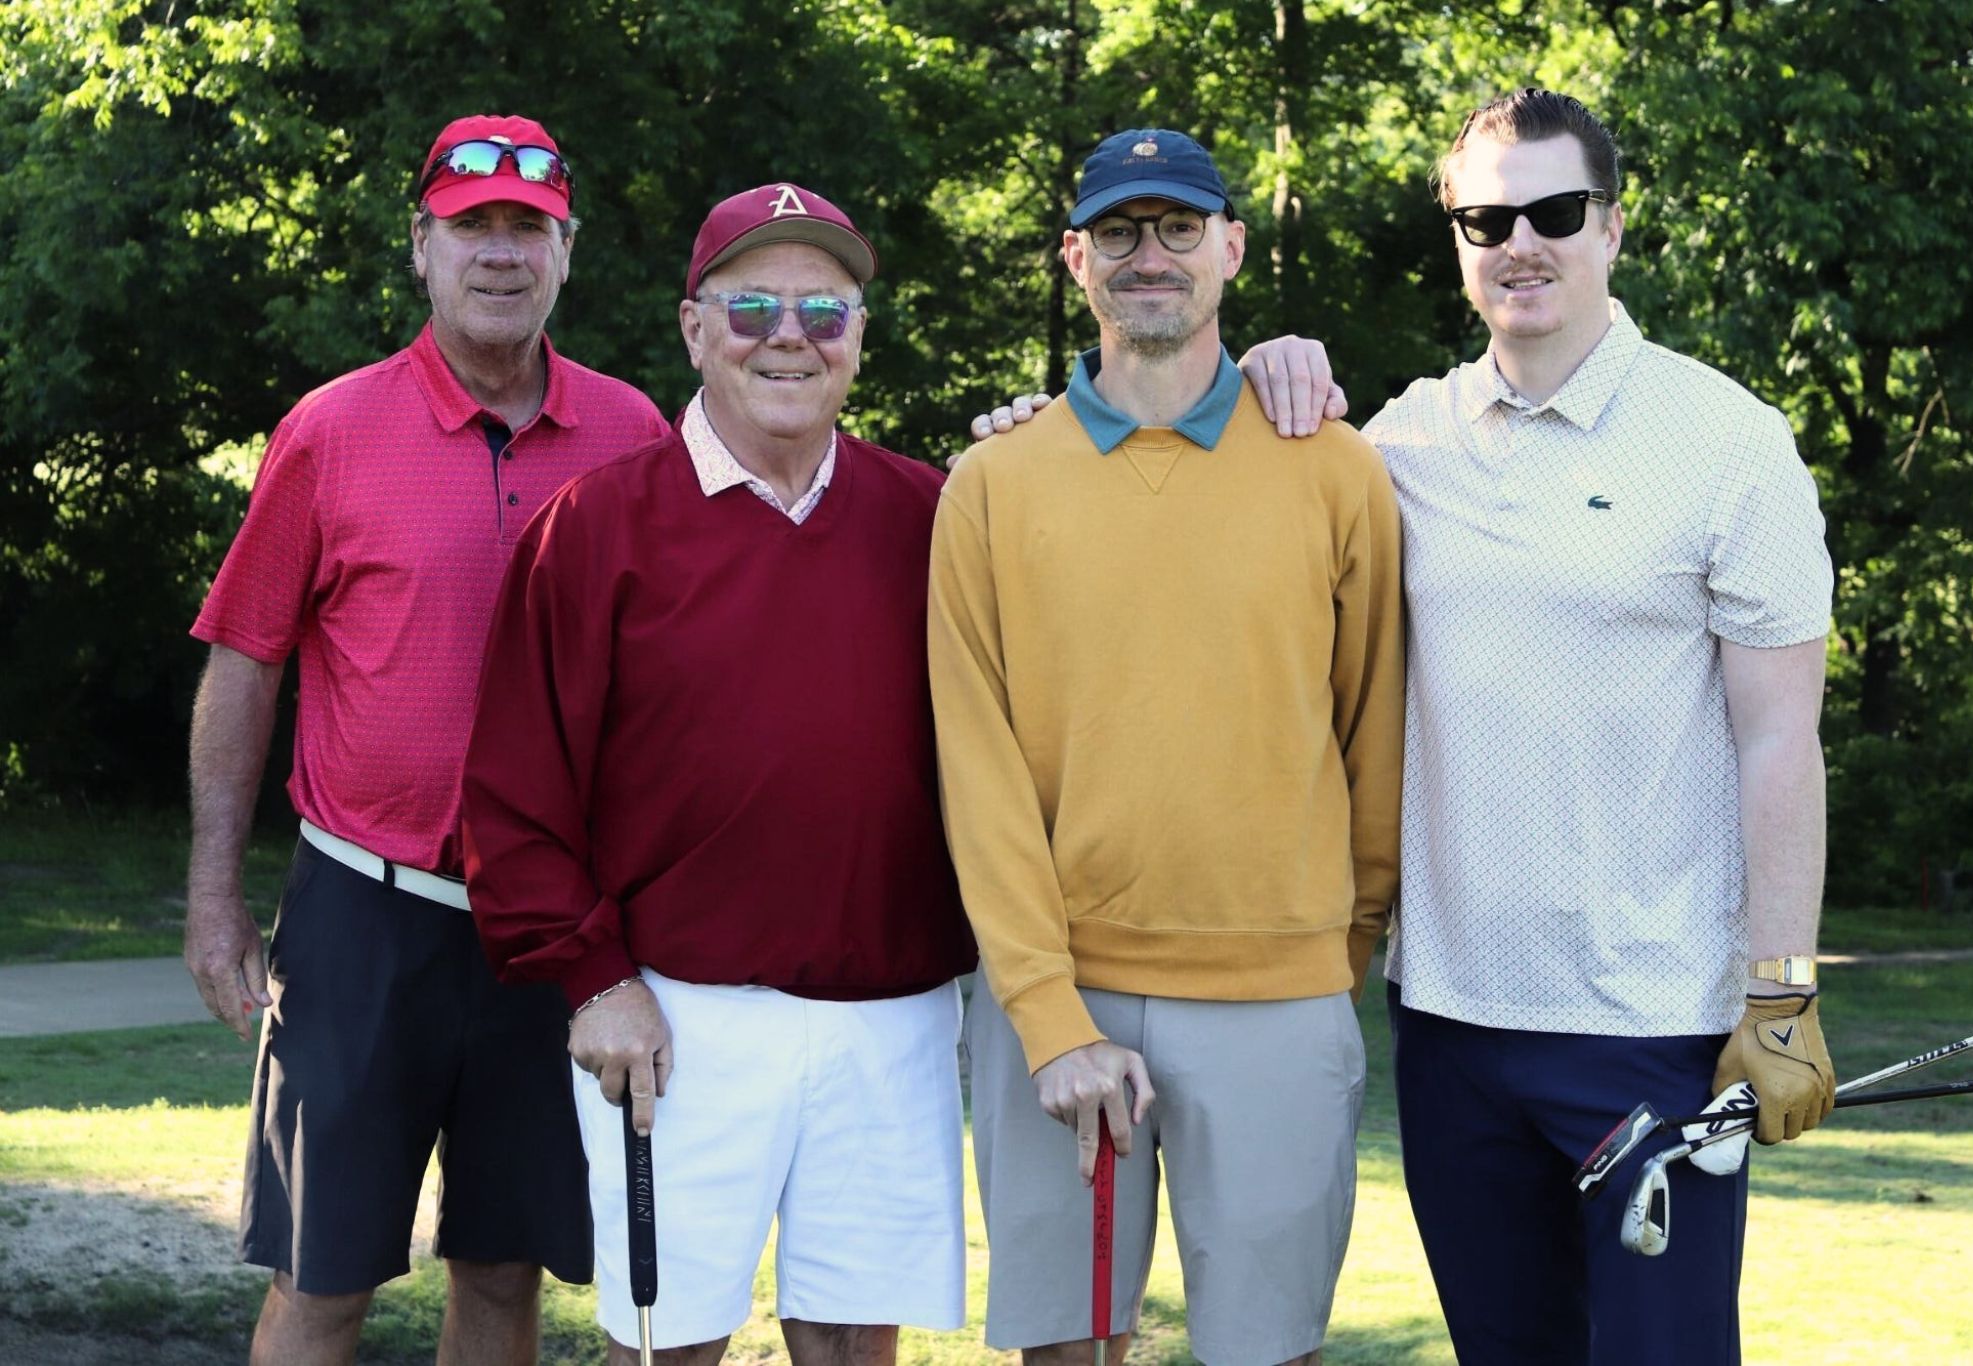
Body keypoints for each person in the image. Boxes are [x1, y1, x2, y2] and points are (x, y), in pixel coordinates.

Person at [981, 89, 1836, 1364]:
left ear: (1610, 226)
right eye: (1485, 217)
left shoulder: (1728, 445)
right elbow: (1205, 465)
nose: (1518, 243)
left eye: (1552, 211)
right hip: (1450, 1026)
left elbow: (1779, 737)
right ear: (1455, 236)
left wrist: (1779, 986)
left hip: (1653, 1026)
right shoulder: (1394, 443)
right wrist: (1048, 429)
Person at [461, 182, 978, 1366]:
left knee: (853, 1342)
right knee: (670, 1345)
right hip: (674, 1013)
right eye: (749, 308)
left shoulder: (938, 517)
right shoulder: (596, 527)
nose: (786, 335)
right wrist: (591, 980)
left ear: (857, 334)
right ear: (694, 330)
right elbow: (512, 796)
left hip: (891, 1013)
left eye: (822, 309)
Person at [184, 115, 670, 1366]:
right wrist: (212, 896)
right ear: (422, 247)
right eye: (472, 226)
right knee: (321, 1274)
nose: (499, 254)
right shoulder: (331, 430)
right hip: (364, 914)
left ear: (567, 250)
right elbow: (244, 663)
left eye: (527, 228)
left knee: (506, 1269)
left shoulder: (637, 439)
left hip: (551, 921)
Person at [929, 128, 1404, 1366]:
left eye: (1179, 228)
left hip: (1278, 995)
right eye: (1122, 232)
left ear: (1230, 249)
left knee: (1267, 1352)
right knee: (1067, 1350)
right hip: (1057, 992)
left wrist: (1331, 950)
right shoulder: (990, 482)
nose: (1153, 256)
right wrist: (1040, 1005)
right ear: (1075, 259)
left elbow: (1373, 727)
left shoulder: (1335, 469)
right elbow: (975, 773)